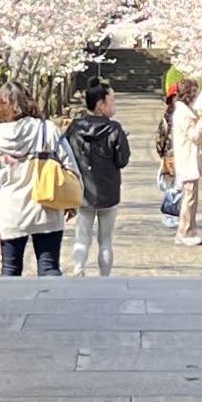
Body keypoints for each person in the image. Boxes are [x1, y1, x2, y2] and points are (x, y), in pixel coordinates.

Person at [0, 86, 68, 277]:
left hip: (11, 212)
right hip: (47, 207)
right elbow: (70, 165)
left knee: (10, 270)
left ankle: (9, 307)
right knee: (49, 268)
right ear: (29, 102)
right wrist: (72, 200)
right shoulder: (47, 129)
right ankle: (54, 305)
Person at [65, 82, 131, 276]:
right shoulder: (114, 129)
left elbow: (67, 156)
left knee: (82, 235)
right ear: (101, 104)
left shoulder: (75, 128)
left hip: (82, 191)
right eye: (112, 100)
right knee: (106, 239)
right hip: (108, 192)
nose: (114, 104)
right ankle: (104, 277)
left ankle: (78, 268)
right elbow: (122, 160)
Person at [168, 76, 202, 246]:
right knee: (189, 198)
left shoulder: (183, 111)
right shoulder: (185, 114)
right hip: (187, 159)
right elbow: (195, 136)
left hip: (187, 159)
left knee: (191, 197)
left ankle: (189, 230)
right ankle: (184, 232)